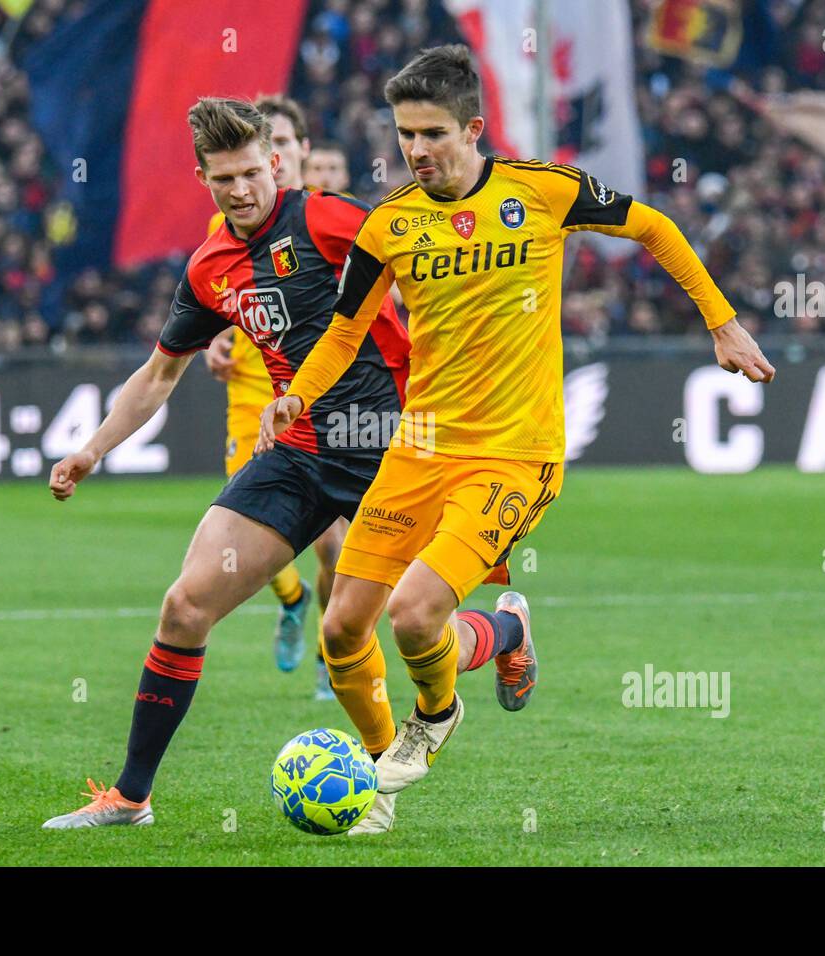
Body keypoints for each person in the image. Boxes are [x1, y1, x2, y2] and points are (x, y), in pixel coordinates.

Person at [259, 44, 776, 821]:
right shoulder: (389, 227)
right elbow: (342, 330)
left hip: (514, 453)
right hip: (419, 449)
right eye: (405, 134)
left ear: (473, 129)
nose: (416, 150)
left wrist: (722, 322)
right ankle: (472, 670)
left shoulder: (542, 190)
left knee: (413, 614)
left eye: (432, 133)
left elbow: (655, 226)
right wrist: (297, 397)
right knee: (341, 630)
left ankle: (433, 719)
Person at [41, 97, 504, 833]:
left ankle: (503, 636)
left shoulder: (325, 218)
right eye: (223, 179)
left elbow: (427, 251)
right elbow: (159, 374)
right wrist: (91, 449)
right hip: (297, 454)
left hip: (393, 447)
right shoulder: (210, 267)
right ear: (204, 179)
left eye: (252, 172)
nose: (241, 190)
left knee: (408, 619)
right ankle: (131, 799)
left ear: (276, 165)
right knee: (185, 607)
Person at [199, 95, 334, 699]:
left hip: (329, 407)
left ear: (293, 152)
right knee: (249, 535)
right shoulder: (223, 227)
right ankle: (295, 600)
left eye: (276, 145)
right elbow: (223, 298)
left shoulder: (327, 218)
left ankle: (336, 656)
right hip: (253, 396)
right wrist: (217, 343)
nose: (244, 181)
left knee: (334, 545)